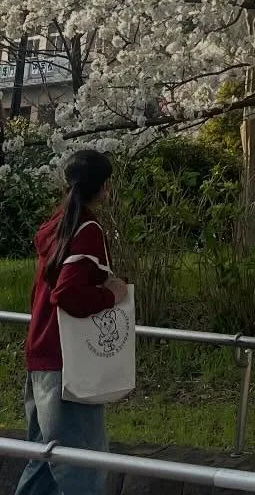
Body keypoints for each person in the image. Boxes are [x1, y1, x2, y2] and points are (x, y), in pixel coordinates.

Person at [20, 150, 128, 495]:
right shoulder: (87, 228)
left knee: (45, 464)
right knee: (83, 468)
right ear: (104, 186)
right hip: (69, 364)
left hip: (41, 355)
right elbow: (67, 294)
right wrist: (111, 294)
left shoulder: (55, 226)